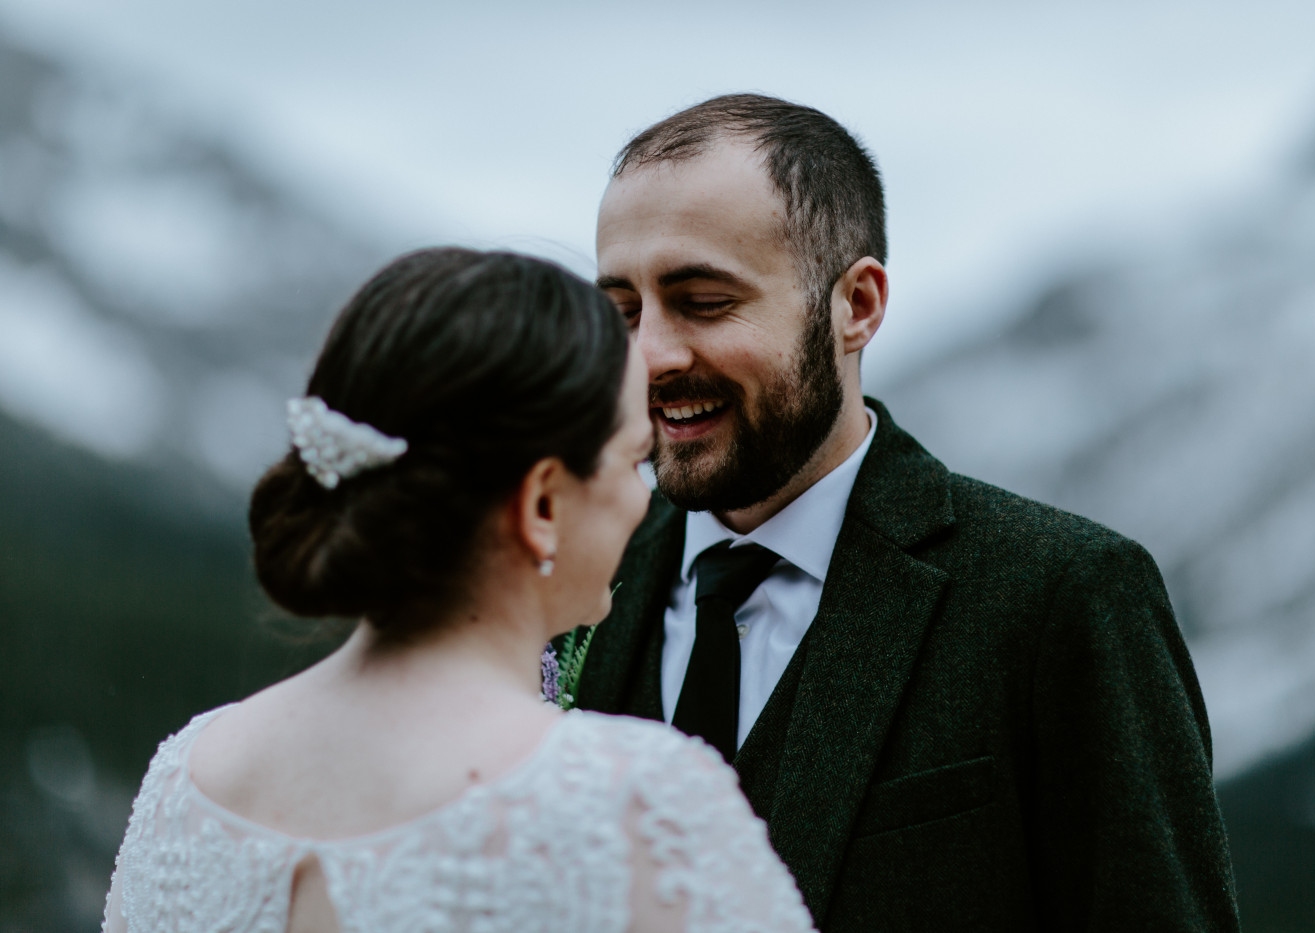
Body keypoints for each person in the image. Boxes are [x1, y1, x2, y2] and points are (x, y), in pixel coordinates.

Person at [577, 93, 1241, 931]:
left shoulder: (1064, 596)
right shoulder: (569, 588)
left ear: (856, 305)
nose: (653, 357)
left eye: (704, 301)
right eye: (622, 312)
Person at [101, 248, 815, 933]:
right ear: (541, 503)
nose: (644, 499)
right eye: (633, 461)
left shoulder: (182, 780)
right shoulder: (640, 802)